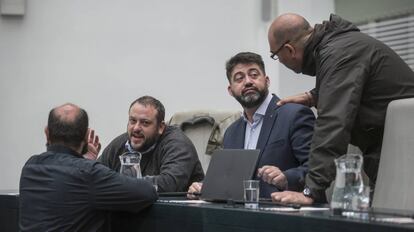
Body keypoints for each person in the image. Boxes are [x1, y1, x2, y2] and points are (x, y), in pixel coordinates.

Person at [267, 13, 414, 205]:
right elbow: (360, 85)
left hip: (404, 154)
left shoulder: (338, 52)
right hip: (395, 148)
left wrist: (310, 190)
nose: (280, 60)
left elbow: (332, 124)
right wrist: (314, 97)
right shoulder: (338, 45)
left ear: (289, 50)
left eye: (276, 56)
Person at [188, 52, 315, 198]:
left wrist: (286, 178)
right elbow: (228, 179)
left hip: (286, 212)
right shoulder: (231, 132)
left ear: (267, 81)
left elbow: (317, 168)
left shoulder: (295, 115)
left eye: (254, 75)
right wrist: (203, 187)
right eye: (239, 78)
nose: (248, 81)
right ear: (231, 90)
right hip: (242, 214)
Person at [19, 103, 158, 232]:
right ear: (86, 136)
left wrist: (85, 162)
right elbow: (147, 192)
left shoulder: (30, 166)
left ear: (47, 133)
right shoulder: (89, 173)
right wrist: (88, 165)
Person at [98, 95, 204, 192]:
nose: (136, 128)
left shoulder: (178, 144)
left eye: (145, 123)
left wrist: (121, 183)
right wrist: (88, 162)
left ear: (161, 127)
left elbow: (169, 184)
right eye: (133, 121)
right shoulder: (120, 143)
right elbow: (95, 178)